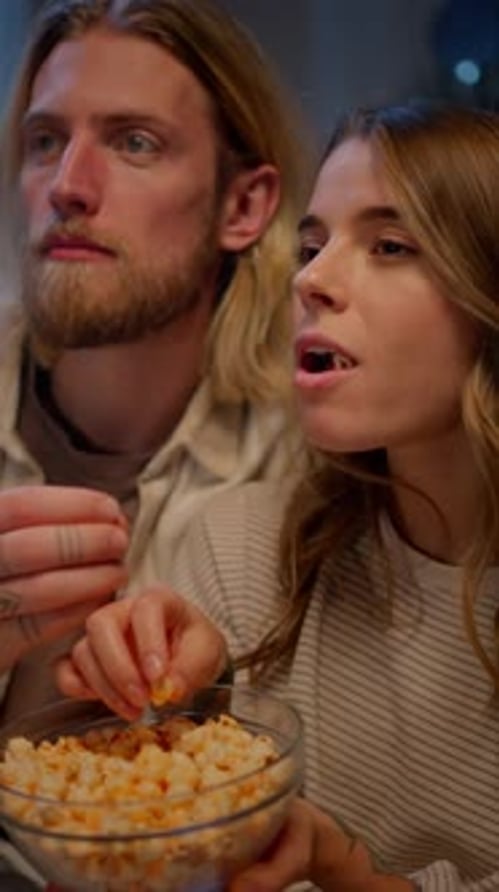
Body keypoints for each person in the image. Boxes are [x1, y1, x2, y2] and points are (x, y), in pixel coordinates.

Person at [59, 101, 499, 891]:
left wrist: (345, 872)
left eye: (391, 245)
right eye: (311, 244)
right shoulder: (236, 543)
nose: (309, 279)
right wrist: (151, 692)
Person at [0, 0, 308, 724]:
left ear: (242, 206)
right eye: (44, 140)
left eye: (134, 142)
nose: (67, 185)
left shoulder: (315, 473)